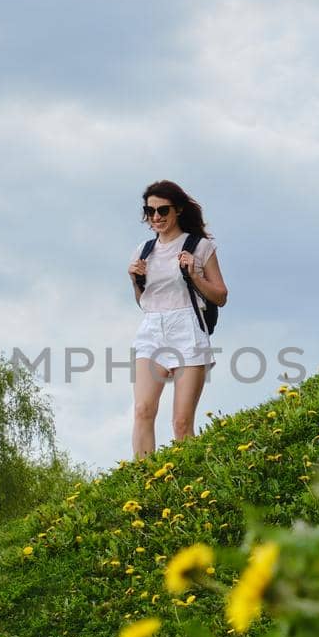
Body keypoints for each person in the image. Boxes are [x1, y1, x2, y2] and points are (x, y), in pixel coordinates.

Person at [127, 180, 228, 460]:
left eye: (163, 210)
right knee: (143, 410)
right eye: (150, 212)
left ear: (179, 209)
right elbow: (144, 301)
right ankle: (144, 480)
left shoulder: (200, 247)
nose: (156, 217)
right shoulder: (143, 250)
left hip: (187, 328)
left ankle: (191, 483)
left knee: (182, 423)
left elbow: (220, 296)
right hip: (151, 329)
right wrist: (135, 280)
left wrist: (195, 275)